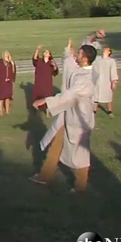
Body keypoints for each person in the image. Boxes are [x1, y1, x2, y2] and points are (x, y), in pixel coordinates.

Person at [29, 45, 97, 193]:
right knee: (56, 145)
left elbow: (68, 95)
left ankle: (80, 186)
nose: (76, 56)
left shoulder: (86, 78)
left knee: (79, 154)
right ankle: (44, 175)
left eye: (78, 54)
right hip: (69, 115)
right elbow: (70, 66)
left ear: (85, 59)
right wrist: (68, 52)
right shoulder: (80, 70)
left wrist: (45, 101)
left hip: (80, 120)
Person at [32, 45, 59, 117]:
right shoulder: (39, 61)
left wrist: (55, 66)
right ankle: (36, 112)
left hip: (47, 83)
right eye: (45, 52)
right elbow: (34, 59)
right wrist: (37, 50)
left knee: (48, 98)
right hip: (39, 82)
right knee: (37, 97)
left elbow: (55, 72)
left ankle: (47, 112)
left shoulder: (51, 63)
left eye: (47, 52)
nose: (46, 53)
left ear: (49, 55)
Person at [93, 47, 119, 117]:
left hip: (107, 81)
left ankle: (110, 111)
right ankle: (94, 111)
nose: (104, 50)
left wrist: (113, 82)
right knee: (96, 97)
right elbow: (93, 67)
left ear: (109, 52)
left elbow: (113, 71)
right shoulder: (98, 59)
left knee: (108, 97)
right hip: (98, 81)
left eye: (106, 49)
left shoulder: (111, 61)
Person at [0, 51, 16, 116]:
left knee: (7, 97)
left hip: (9, 82)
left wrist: (13, 80)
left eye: (8, 53)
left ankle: (7, 111)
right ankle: (1, 111)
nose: (7, 54)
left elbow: (13, 72)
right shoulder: (0, 62)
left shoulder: (11, 62)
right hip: (1, 82)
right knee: (1, 97)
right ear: (3, 55)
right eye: (5, 53)